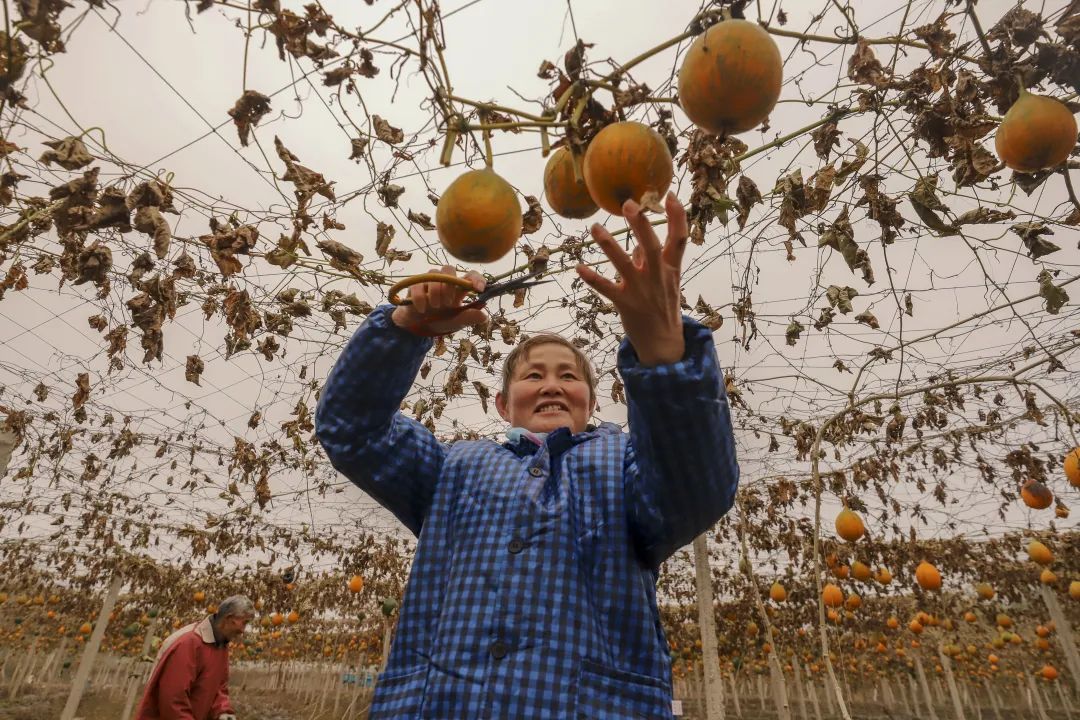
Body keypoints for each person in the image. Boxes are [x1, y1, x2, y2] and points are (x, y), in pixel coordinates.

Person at [315, 194, 739, 718]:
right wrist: (402, 331)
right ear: (501, 403)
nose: (552, 385)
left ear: (593, 399)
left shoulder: (626, 467)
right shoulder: (453, 469)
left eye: (568, 376)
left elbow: (696, 487)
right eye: (533, 375)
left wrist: (664, 358)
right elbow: (352, 431)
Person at [135, 594, 253, 720]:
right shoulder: (188, 643)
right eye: (244, 623)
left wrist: (222, 711)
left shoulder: (221, 644)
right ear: (229, 618)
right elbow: (173, 699)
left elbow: (219, 687)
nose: (243, 630)